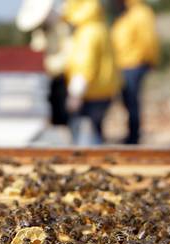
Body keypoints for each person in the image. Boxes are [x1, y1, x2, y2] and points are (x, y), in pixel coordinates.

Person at [63, 0, 121, 145]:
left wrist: (76, 93)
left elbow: (85, 64)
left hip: (92, 91)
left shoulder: (87, 32)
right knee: (96, 129)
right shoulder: (101, 27)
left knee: (86, 135)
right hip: (104, 89)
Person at [16, 0, 71, 127]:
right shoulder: (40, 32)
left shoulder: (62, 27)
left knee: (63, 120)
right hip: (46, 82)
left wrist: (47, 66)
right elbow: (37, 50)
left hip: (63, 80)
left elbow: (67, 56)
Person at [112, 0, 159, 144]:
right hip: (123, 63)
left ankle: (134, 136)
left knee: (132, 101)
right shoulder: (127, 13)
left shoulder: (141, 13)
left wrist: (151, 60)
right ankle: (131, 134)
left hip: (134, 63)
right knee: (127, 101)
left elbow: (148, 40)